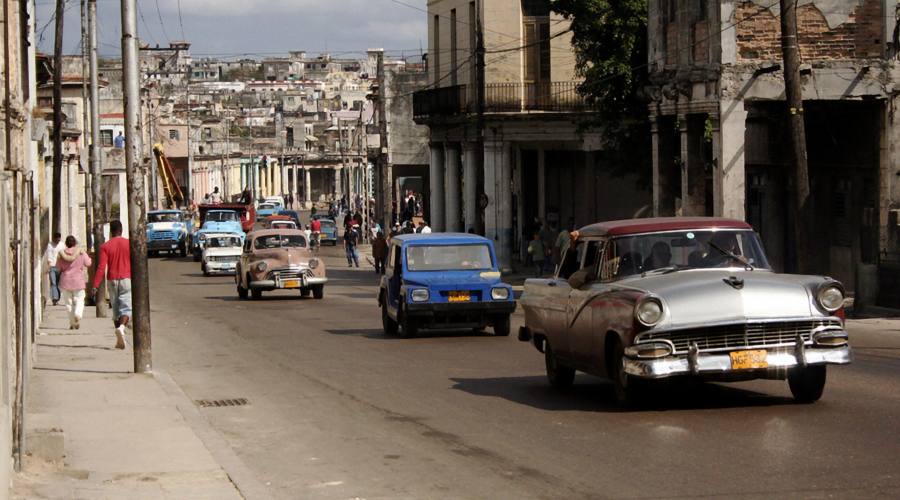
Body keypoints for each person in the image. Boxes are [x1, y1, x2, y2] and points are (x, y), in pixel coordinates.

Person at [91, 220, 131, 350]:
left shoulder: (106, 246)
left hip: (112, 280)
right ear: (121, 230)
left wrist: (95, 285)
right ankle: (122, 328)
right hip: (126, 279)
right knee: (126, 308)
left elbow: (101, 267)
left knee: (115, 310)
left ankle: (120, 339)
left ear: (111, 232)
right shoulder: (129, 244)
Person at [57, 236, 92, 330]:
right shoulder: (80, 252)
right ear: (75, 243)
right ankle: (78, 314)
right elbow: (88, 263)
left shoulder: (62, 253)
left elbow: (58, 267)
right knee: (80, 299)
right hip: (78, 280)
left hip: (65, 281)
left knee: (68, 303)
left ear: (66, 244)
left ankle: (72, 323)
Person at [44, 232, 65, 306]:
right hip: (52, 266)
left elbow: (64, 255)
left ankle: (57, 297)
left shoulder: (62, 245)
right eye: (56, 240)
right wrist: (48, 266)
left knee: (58, 283)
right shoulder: (50, 245)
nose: (57, 241)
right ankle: (55, 298)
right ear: (54, 238)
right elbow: (49, 255)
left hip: (59, 267)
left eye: (59, 240)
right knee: (53, 283)